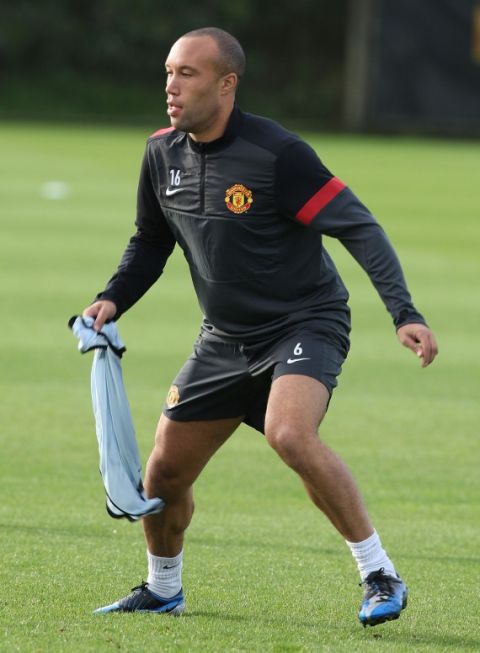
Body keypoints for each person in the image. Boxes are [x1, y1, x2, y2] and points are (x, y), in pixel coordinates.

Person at [84, 27, 438, 626]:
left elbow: (358, 226)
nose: (171, 86)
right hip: (223, 339)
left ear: (227, 84)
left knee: (289, 434)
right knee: (163, 474)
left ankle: (379, 573)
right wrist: (111, 299)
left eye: (187, 74)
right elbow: (150, 240)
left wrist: (404, 312)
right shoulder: (160, 152)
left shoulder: (277, 155)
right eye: (168, 72)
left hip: (306, 322)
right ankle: (163, 588)